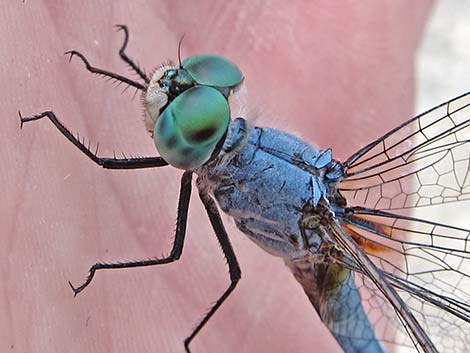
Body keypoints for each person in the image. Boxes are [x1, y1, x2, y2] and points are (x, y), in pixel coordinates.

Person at [3, 1, 433, 352]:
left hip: (325, 241)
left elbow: (109, 168)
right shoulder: (218, 152)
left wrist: (50, 120)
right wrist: (109, 68)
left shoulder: (213, 157)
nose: (167, 86)